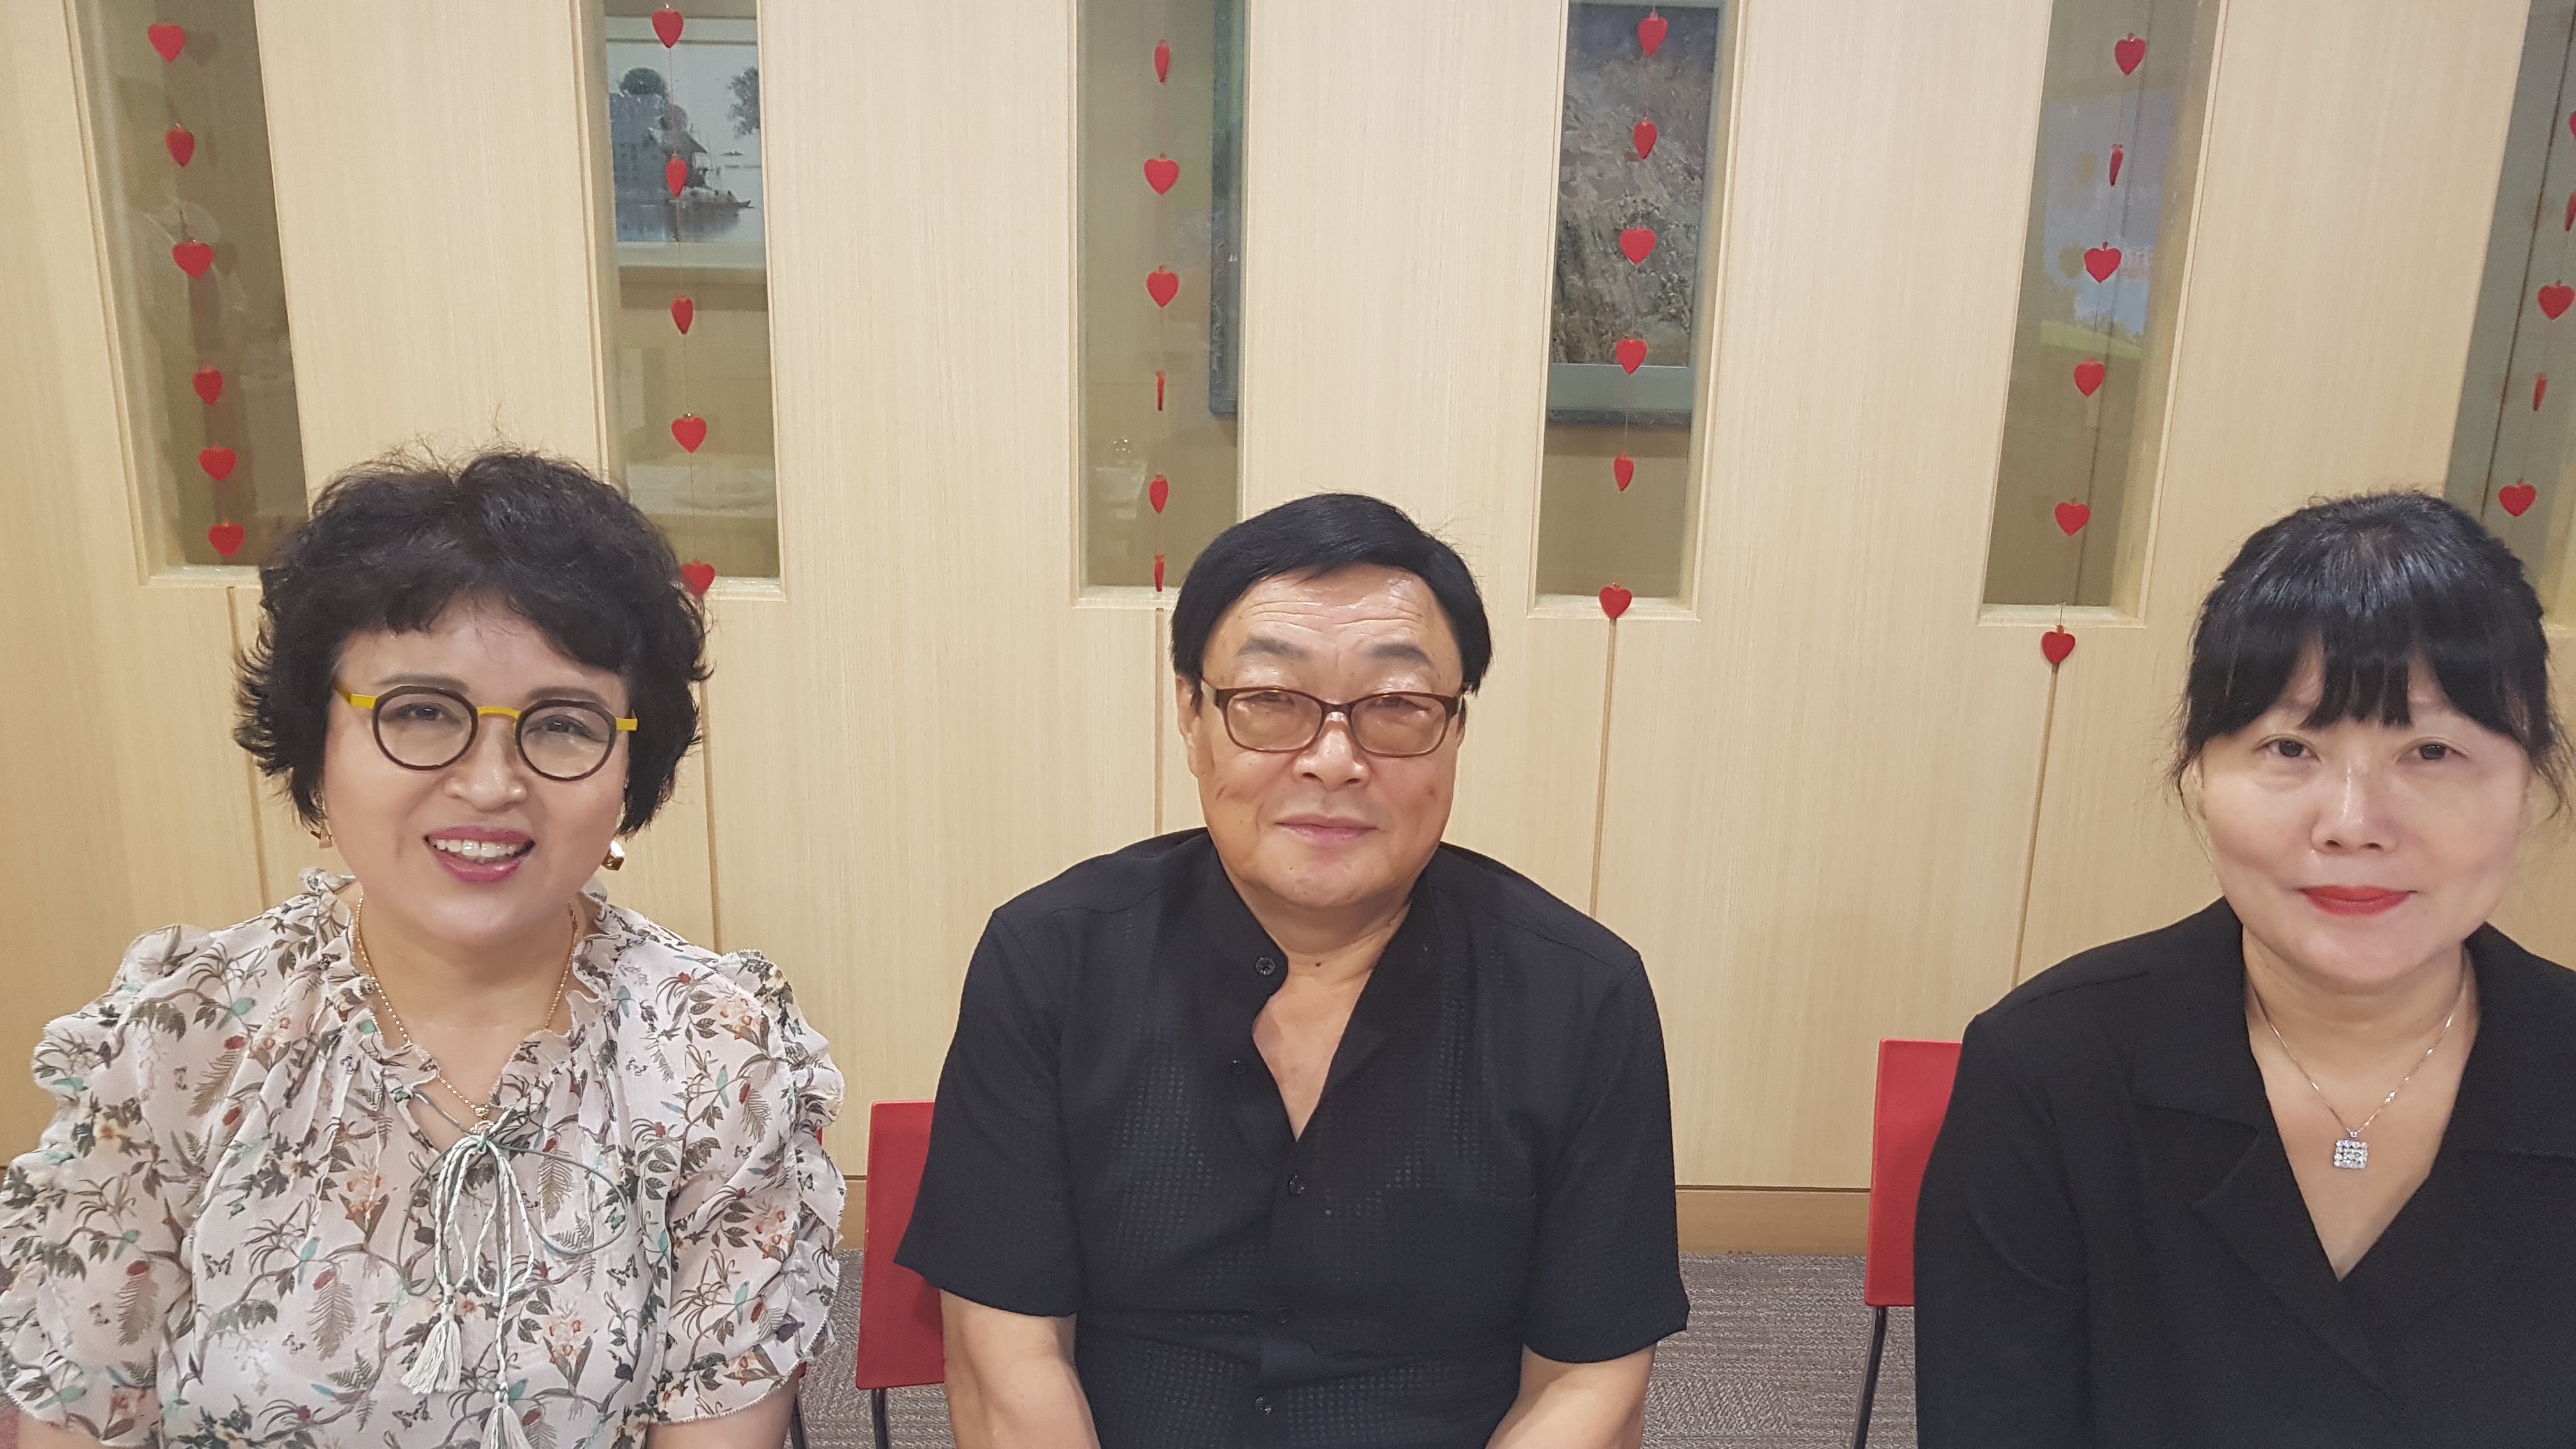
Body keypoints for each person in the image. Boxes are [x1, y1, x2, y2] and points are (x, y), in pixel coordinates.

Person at [0, 451, 844, 1448]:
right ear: (317, 746)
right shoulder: (182, 1042)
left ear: (629, 770)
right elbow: (82, 1413)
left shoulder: (719, 1054)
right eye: (421, 713)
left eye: (561, 725)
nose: (490, 784)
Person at [897, 493, 1687, 1449]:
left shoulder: (1583, 996)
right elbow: (1008, 1358)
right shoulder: (1048, 962)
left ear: (1456, 730)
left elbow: (1590, 1380)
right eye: (1272, 701)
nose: (1333, 760)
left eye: (1396, 706)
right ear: (1191, 714)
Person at [1915, 492, 2576, 1446]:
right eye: (2291, 747)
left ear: (2530, 784)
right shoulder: (2050, 1071)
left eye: (2431, 750)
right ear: (2200, 774)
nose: (2353, 824)